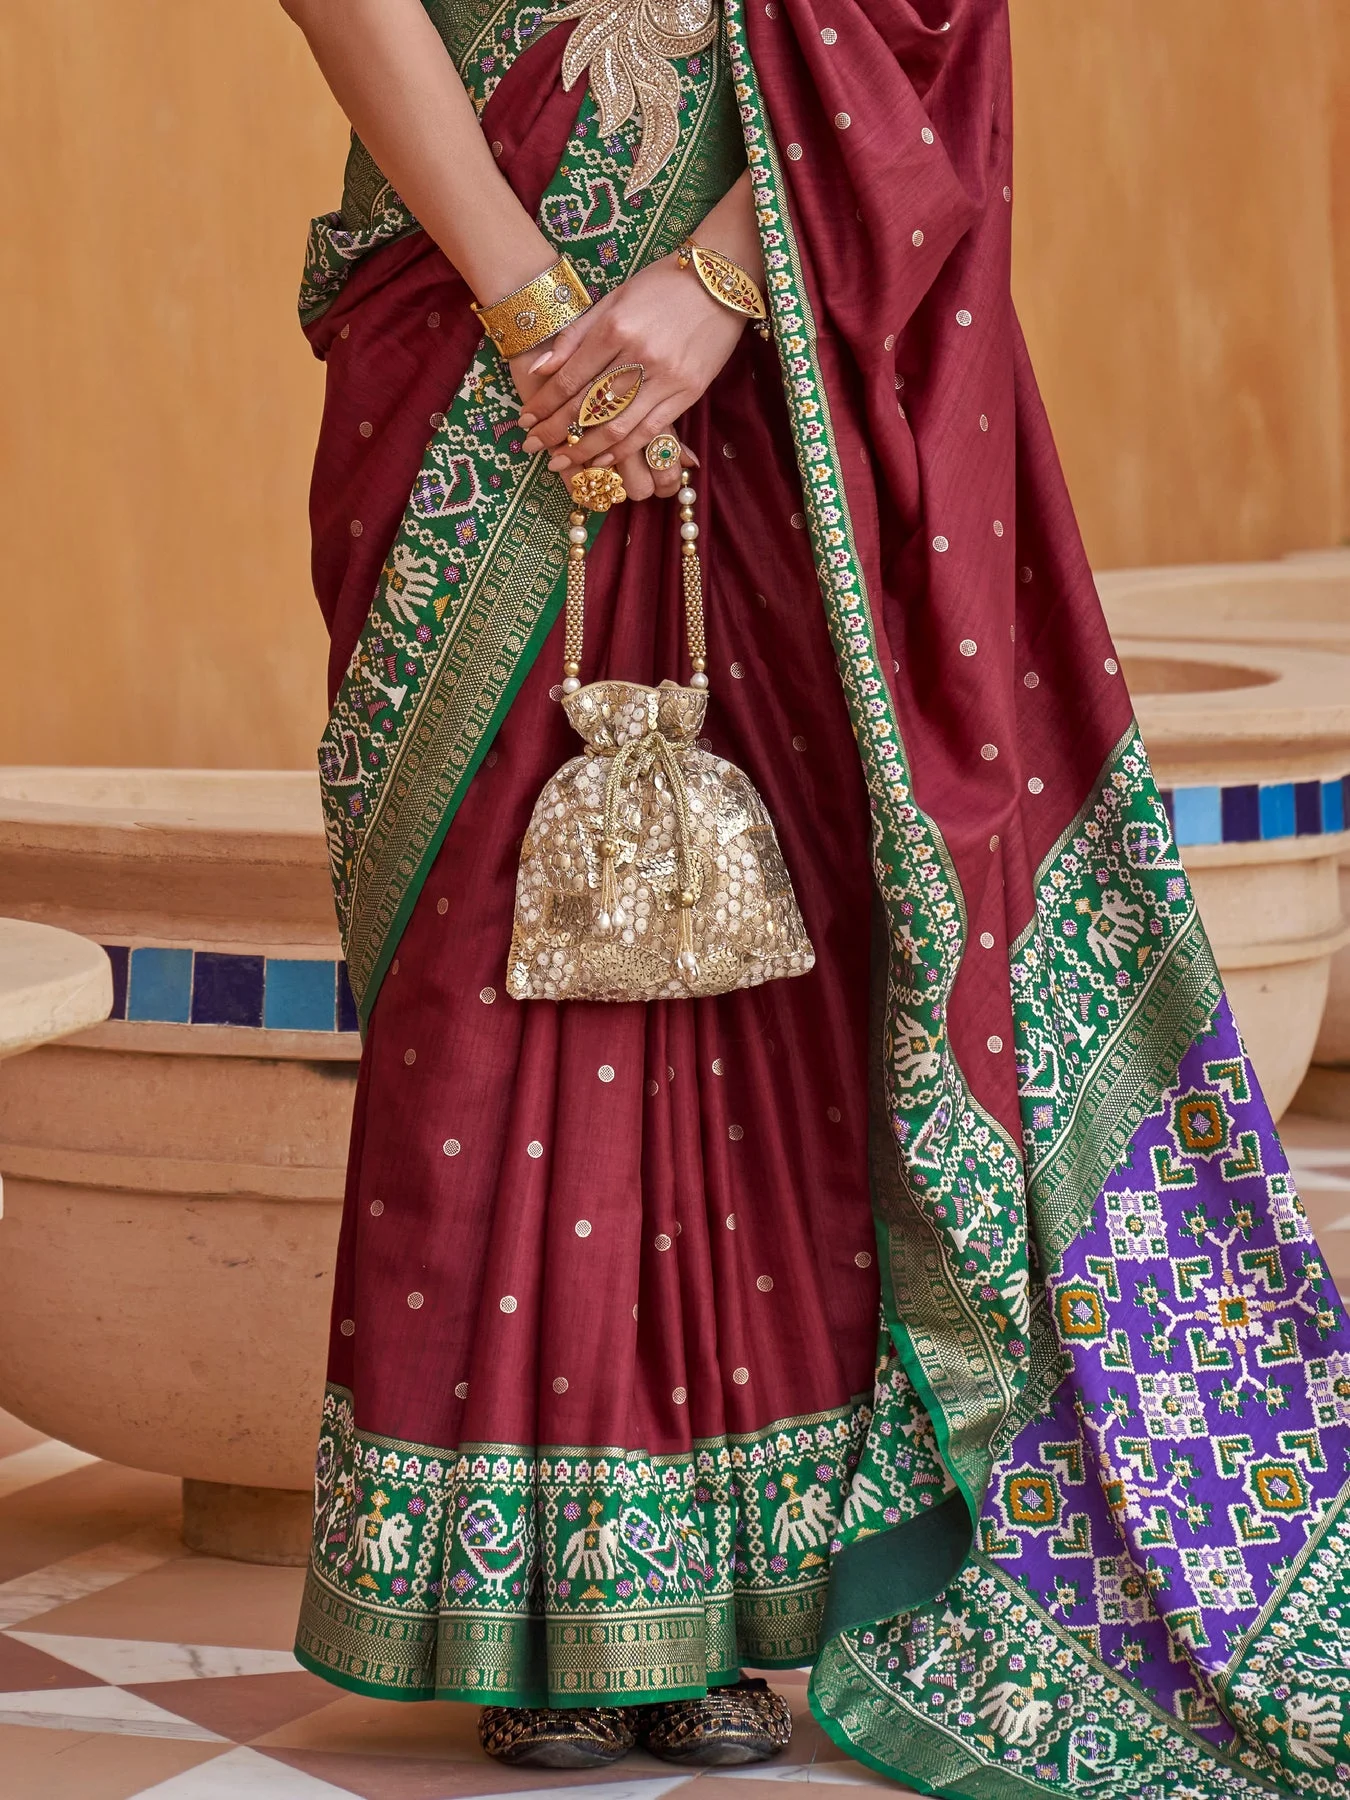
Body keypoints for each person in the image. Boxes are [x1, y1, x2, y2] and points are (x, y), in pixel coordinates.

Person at [279, 0, 1350, 1791]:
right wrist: (533, 307)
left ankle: (730, 1597)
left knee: (772, 974)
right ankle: (539, 1605)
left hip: (792, 343)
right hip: (472, 326)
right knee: (506, 941)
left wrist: (719, 280)